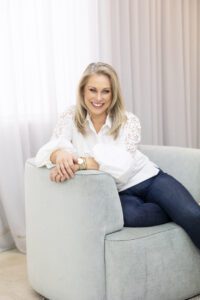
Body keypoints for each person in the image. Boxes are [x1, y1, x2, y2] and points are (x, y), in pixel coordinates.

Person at [35, 62, 200, 250]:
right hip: (117, 191)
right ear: (82, 92)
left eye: (106, 91)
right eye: (92, 90)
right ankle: (178, 206)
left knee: (192, 215)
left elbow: (122, 168)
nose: (98, 98)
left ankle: (183, 207)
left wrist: (78, 163)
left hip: (148, 179)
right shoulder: (70, 117)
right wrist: (60, 155)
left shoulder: (129, 120)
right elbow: (47, 151)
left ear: (113, 94)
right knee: (132, 217)